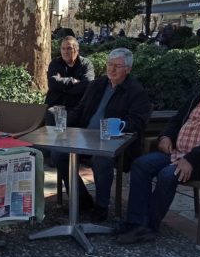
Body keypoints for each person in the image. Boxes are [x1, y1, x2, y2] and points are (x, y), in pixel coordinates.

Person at [117, 55, 200, 244]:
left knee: (167, 175)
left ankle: (148, 226)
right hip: (178, 153)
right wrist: (166, 136)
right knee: (140, 164)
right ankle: (135, 222)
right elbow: (177, 118)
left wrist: (191, 158)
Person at [52, 48, 152, 221]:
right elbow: (81, 109)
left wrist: (115, 128)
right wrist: (64, 123)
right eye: (109, 64)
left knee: (101, 159)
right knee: (58, 153)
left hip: (115, 143)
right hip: (85, 137)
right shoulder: (97, 85)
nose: (111, 69)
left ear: (128, 69)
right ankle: (82, 199)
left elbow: (137, 122)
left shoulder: (136, 91)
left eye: (117, 66)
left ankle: (101, 206)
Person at [45, 36, 94, 117]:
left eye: (69, 48)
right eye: (63, 49)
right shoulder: (55, 63)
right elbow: (52, 83)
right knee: (51, 114)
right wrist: (72, 81)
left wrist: (62, 86)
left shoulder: (86, 64)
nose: (65, 52)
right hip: (56, 104)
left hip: (77, 105)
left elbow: (87, 85)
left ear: (77, 50)